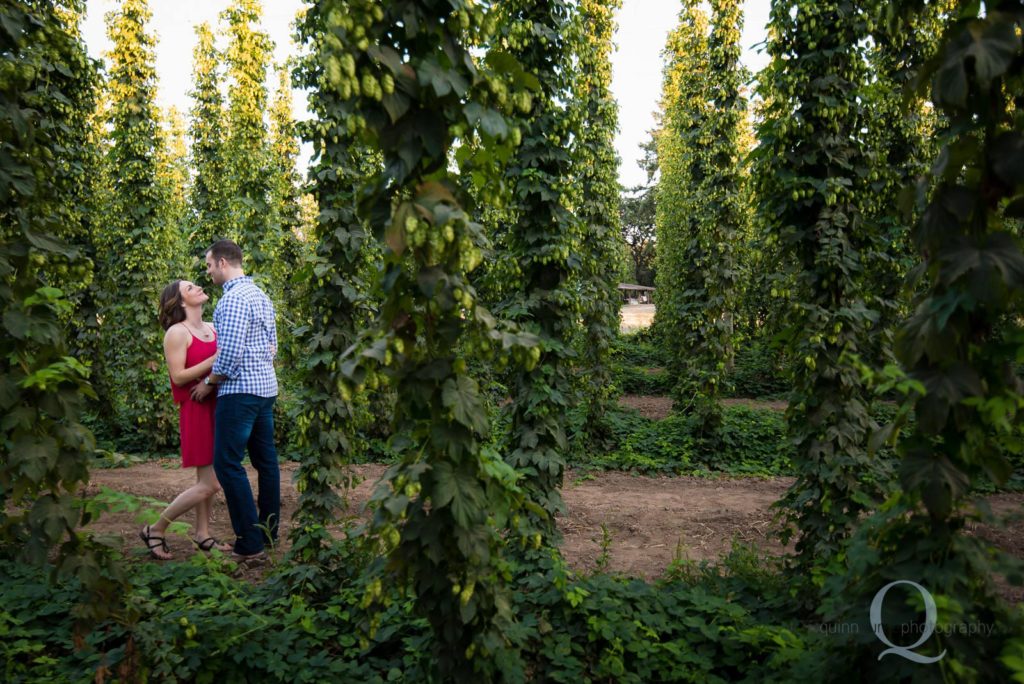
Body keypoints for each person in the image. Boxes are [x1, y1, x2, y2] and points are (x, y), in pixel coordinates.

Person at [194, 239, 280, 561]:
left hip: (240, 392)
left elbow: (228, 355)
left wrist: (209, 383)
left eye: (208, 265)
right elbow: (273, 347)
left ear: (223, 264)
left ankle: (249, 544)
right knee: (266, 462)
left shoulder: (230, 301)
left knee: (227, 464)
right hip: (265, 390)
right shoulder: (261, 295)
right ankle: (269, 533)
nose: (208, 272)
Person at [139, 280, 231, 560]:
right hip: (196, 408)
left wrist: (214, 374)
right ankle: (155, 528)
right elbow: (178, 376)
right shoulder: (176, 333)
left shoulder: (214, 327)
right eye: (190, 288)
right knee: (211, 483)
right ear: (180, 302)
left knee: (208, 476)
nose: (198, 287)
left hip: (217, 404)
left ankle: (202, 534)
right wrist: (217, 358)